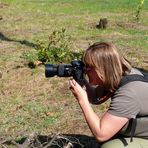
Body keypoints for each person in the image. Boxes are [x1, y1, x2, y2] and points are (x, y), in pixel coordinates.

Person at [69, 42, 148, 148]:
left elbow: (101, 134)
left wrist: (82, 100)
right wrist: (81, 80)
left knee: (110, 147)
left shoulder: (130, 93)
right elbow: (95, 97)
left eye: (88, 67)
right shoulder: (122, 74)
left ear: (102, 69)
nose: (85, 70)